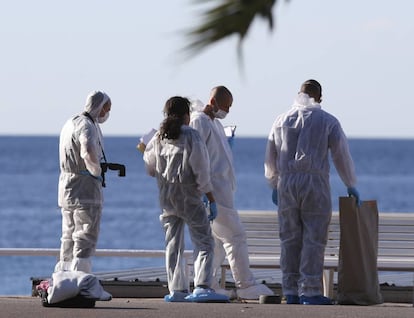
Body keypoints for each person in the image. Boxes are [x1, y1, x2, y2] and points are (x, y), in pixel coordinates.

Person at [264, 79, 360, 305]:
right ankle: (310, 290)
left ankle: (290, 290)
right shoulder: (327, 121)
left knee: (289, 238)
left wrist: (273, 182)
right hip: (314, 183)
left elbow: (271, 155)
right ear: (320, 97)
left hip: (286, 183)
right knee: (314, 238)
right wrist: (350, 183)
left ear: (298, 94)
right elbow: (341, 156)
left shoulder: (280, 120)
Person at [190, 86, 274, 300]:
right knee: (235, 236)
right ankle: (245, 284)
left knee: (216, 243)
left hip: (221, 192)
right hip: (213, 193)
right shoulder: (199, 121)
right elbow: (197, 157)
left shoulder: (214, 123)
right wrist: (203, 193)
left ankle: (208, 283)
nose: (227, 110)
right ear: (213, 101)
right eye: (226, 105)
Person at [143, 96, 229, 303]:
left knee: (173, 245)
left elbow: (150, 169)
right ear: (186, 115)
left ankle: (177, 289)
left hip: (167, 199)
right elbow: (201, 170)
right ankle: (201, 286)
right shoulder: (191, 135)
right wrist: (210, 197)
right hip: (189, 197)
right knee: (205, 243)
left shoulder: (158, 138)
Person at [55, 90, 112, 273]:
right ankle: (80, 278)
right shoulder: (87, 126)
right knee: (85, 237)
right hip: (84, 190)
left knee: (68, 236)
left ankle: (63, 276)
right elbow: (87, 150)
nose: (107, 114)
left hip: (67, 187)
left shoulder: (70, 123)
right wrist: (95, 171)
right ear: (99, 107)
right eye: (106, 109)